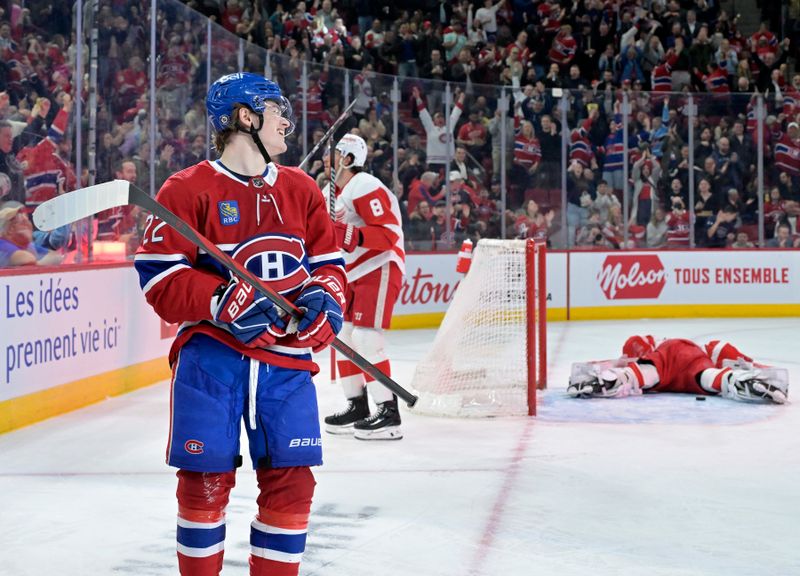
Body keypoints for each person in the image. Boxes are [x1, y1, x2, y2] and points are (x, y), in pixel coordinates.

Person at [133, 73, 346, 576]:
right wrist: (219, 298)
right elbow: (157, 276)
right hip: (212, 361)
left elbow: (329, 263)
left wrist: (326, 301)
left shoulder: (301, 188)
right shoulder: (187, 189)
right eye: (276, 110)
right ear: (245, 117)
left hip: (287, 363)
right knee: (203, 481)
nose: (287, 122)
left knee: (293, 482)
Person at [323, 133, 406, 440]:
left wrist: (345, 234)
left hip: (380, 265)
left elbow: (387, 236)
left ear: (347, 159)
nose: (324, 159)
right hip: (351, 272)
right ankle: (357, 404)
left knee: (366, 337)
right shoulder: (327, 192)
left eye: (333, 154)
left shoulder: (364, 185)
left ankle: (389, 411)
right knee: (342, 335)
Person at [567, 335, 788, 404]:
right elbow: (724, 351)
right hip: (690, 363)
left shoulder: (655, 345)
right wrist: (755, 367)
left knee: (640, 374)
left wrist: (604, 366)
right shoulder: (706, 349)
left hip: (668, 360)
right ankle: (743, 382)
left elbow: (633, 354)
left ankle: (604, 381)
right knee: (710, 378)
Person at [0, 201, 63, 267]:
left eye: (28, 221)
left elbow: (56, 257)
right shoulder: (2, 244)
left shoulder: (27, 245)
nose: (28, 224)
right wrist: (38, 263)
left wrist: (37, 264)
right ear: (10, 229)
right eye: (22, 224)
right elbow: (27, 259)